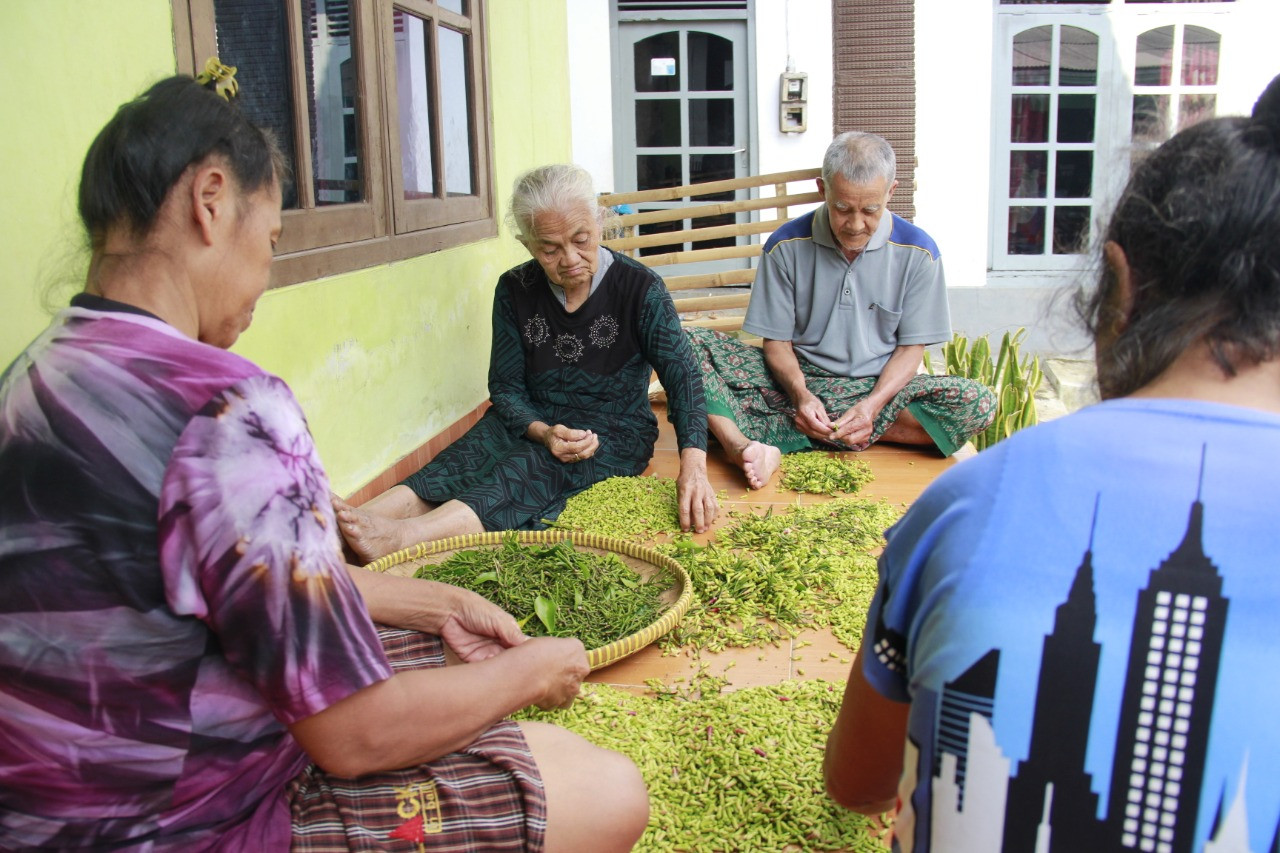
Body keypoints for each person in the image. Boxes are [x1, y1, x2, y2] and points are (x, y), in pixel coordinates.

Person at [0, 73, 648, 852]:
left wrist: (431, 602)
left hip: (47, 803)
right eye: (271, 241)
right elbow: (353, 736)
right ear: (211, 199)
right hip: (185, 820)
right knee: (610, 789)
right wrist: (533, 673)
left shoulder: (32, 374)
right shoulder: (229, 411)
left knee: (481, 683)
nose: (264, 281)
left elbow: (224, 579)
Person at [824, 76, 1280, 852]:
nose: (856, 221)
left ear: (1119, 285)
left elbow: (855, 781)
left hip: (882, 403)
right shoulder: (792, 248)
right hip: (823, 397)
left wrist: (870, 406)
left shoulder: (964, 503)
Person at [333, 164, 718, 563]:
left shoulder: (640, 289)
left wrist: (694, 465)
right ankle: (341, 528)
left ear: (600, 222)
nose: (569, 258)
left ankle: (403, 540)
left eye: (580, 239)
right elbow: (505, 385)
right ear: (527, 244)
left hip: (610, 431)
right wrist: (542, 430)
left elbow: (683, 377)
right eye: (549, 249)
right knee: (463, 458)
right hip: (530, 418)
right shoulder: (515, 289)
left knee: (528, 469)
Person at [686, 131, 996, 489]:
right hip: (793, 384)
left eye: (870, 210)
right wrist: (801, 395)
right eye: (843, 208)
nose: (856, 224)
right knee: (685, 343)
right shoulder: (785, 246)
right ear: (823, 190)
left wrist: (872, 406)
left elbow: (912, 349)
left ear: (890, 193)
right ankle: (740, 446)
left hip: (877, 389)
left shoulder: (919, 252)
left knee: (979, 402)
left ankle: (787, 432)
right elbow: (776, 344)